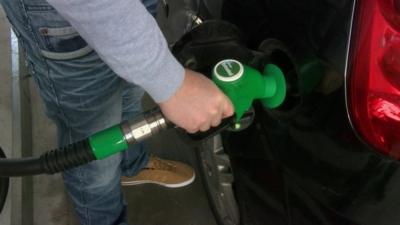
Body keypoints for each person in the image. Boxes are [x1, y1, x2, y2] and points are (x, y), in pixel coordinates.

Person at [0, 0, 233, 224]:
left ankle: (132, 166)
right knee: (93, 153)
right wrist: (168, 80)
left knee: (129, 91)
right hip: (67, 14)